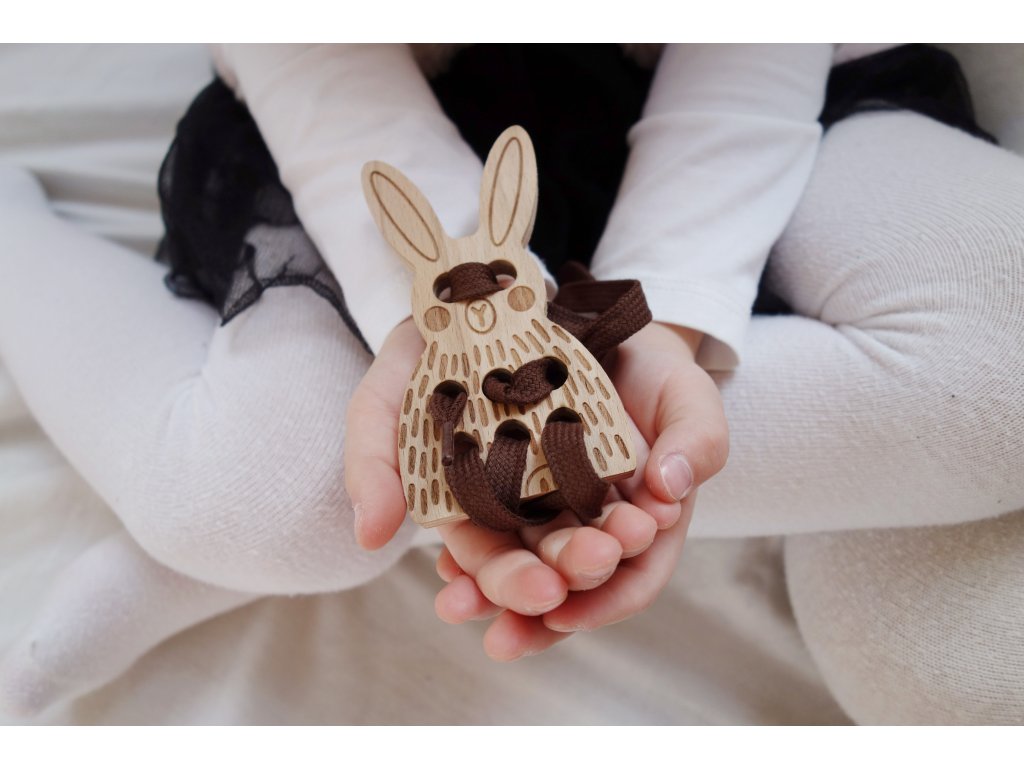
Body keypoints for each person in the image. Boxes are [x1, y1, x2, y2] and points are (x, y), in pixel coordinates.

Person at [1, 44, 1022, 722]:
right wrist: (446, 293)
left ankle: (293, 538)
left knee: (1000, 350)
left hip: (763, 90)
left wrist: (662, 317)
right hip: (375, 118)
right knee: (252, 500)